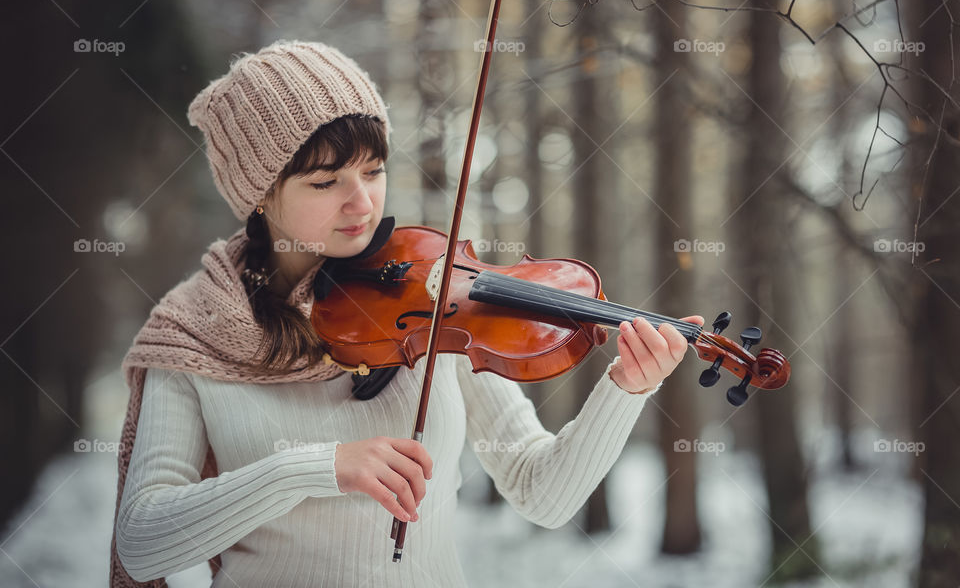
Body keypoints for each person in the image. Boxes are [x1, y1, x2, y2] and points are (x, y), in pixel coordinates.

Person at [110, 39, 704, 587]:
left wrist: (625, 389)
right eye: (326, 181)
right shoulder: (194, 331)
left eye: (373, 171)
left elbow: (539, 491)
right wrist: (316, 468)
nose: (362, 202)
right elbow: (142, 542)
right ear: (260, 195)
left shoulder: (429, 297)